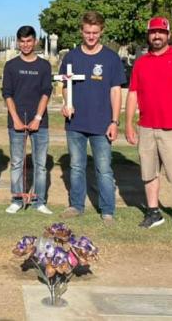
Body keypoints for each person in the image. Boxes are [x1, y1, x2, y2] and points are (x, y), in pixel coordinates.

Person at [125, 16, 172, 237]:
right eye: (153, 32)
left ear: (168, 35)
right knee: (148, 173)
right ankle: (153, 212)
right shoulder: (141, 62)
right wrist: (128, 124)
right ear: (148, 35)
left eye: (161, 32)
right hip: (147, 127)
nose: (156, 36)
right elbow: (132, 94)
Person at [59, 11, 126, 223]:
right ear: (81, 31)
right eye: (87, 32)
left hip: (102, 123)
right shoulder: (71, 57)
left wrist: (115, 121)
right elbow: (64, 85)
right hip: (75, 123)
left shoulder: (110, 58)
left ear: (102, 31)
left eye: (95, 33)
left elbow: (116, 91)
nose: (90, 36)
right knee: (76, 167)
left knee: (104, 169)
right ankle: (76, 205)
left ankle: (107, 210)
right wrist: (66, 103)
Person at [2, 25, 53, 215]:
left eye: (29, 41)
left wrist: (38, 118)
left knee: (40, 164)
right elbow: (7, 93)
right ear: (18, 42)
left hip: (40, 122)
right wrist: (15, 118)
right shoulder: (11, 66)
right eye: (22, 41)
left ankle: (39, 201)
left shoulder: (44, 65)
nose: (25, 45)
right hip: (16, 121)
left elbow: (46, 92)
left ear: (35, 41)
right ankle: (16, 198)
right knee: (16, 162)